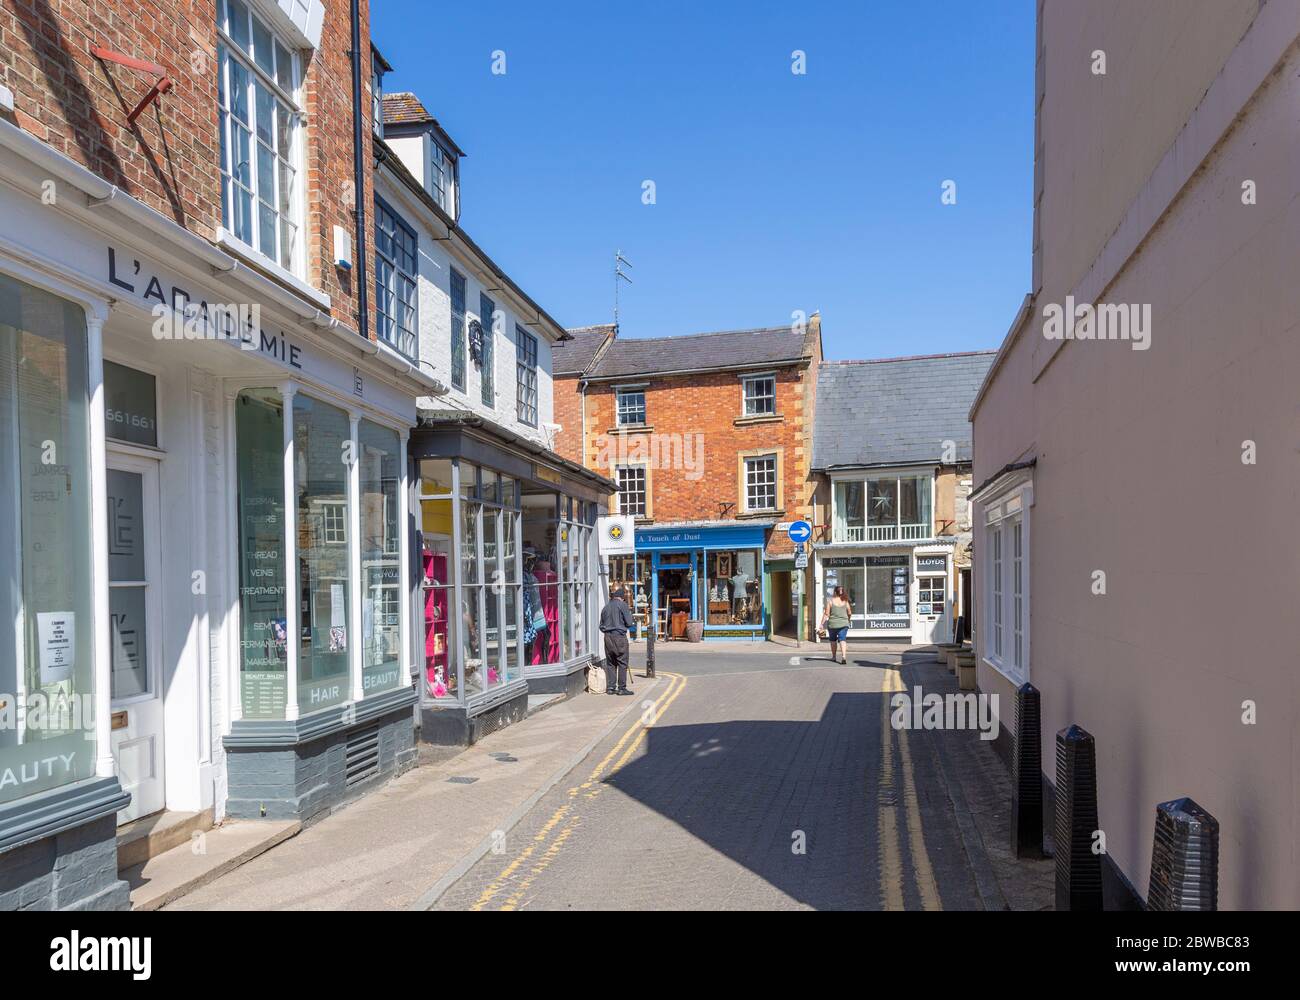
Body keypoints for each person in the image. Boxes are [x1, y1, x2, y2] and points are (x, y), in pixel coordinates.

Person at [599, 586, 635, 695]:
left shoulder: (605, 607)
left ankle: (610, 687)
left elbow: (601, 626)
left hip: (608, 638)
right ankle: (621, 688)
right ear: (621, 598)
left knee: (611, 663)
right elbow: (629, 623)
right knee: (622, 663)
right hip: (619, 637)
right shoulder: (623, 605)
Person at [820, 586, 853, 664]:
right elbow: (849, 612)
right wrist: (848, 619)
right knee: (842, 640)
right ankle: (844, 657)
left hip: (833, 625)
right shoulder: (845, 601)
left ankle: (834, 657)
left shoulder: (830, 601)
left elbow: (826, 614)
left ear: (835, 592)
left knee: (833, 641)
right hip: (844, 624)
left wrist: (821, 624)